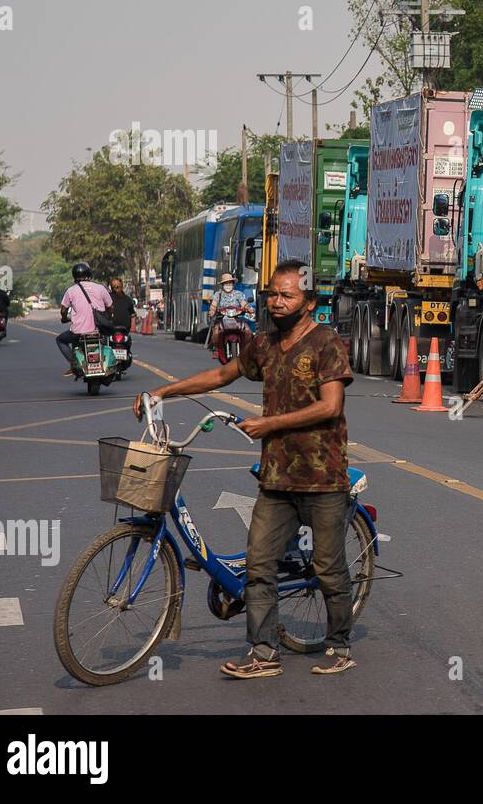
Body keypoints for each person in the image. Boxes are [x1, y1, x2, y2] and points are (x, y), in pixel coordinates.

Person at [133, 260, 356, 678]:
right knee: (259, 564)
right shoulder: (265, 344)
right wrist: (163, 390)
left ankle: (340, 644)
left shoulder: (326, 342)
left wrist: (268, 423)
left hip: (322, 475)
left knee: (327, 566)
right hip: (276, 476)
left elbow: (331, 406)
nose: (276, 301)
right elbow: (221, 374)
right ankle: (264, 653)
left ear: (308, 302)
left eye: (286, 295)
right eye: (272, 293)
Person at [57, 262, 113, 377]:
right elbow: (110, 307)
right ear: (89, 274)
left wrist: (64, 318)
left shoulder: (71, 291)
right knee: (107, 339)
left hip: (78, 333)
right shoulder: (100, 288)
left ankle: (73, 364)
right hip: (99, 330)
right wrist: (107, 317)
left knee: (60, 340)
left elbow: (63, 310)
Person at [207, 273, 252, 354]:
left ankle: (247, 350)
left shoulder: (238, 294)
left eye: (230, 283)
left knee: (248, 331)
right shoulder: (218, 295)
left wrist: (249, 308)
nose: (228, 285)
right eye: (226, 283)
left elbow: (243, 303)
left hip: (236, 319)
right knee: (216, 333)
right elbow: (213, 305)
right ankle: (217, 350)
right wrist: (212, 311)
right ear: (222, 285)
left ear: (233, 284)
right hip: (221, 319)